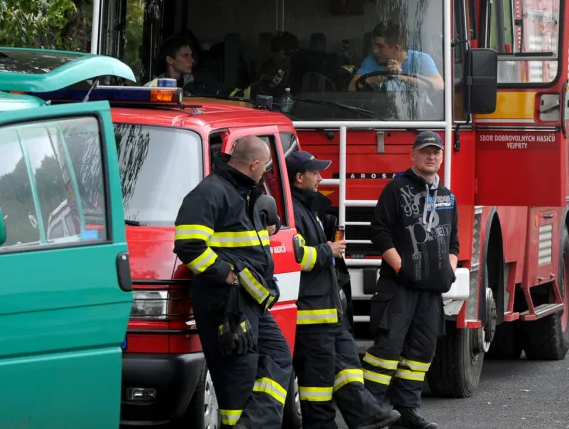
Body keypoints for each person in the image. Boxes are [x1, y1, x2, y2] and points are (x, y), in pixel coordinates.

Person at [172, 136, 292, 429]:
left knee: (278, 356)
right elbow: (188, 245)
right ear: (253, 164)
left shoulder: (243, 192)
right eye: (264, 167)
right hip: (225, 304)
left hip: (252, 301)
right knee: (237, 380)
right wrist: (225, 274)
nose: (265, 173)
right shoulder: (210, 193)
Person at [285, 150, 401, 429]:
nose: (321, 178)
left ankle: (364, 414)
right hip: (311, 314)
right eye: (315, 173)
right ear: (299, 178)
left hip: (329, 310)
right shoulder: (292, 211)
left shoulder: (308, 209)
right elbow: (294, 257)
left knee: (348, 364)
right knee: (317, 381)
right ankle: (323, 425)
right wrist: (328, 250)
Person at [363, 131, 459, 429]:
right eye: (426, 151)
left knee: (421, 351)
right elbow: (379, 231)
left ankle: (407, 411)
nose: (432, 156)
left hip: (431, 290)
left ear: (442, 157)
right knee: (388, 348)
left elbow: (453, 240)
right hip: (399, 286)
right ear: (413, 155)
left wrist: (449, 270)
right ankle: (370, 410)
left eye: (436, 152)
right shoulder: (396, 189)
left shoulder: (447, 195)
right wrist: (401, 267)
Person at [349, 22, 444, 91]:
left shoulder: (421, 59)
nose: (375, 50)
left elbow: (440, 85)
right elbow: (351, 87)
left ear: (396, 48)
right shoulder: (372, 60)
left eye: (380, 46)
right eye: (375, 45)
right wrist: (381, 76)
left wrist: (402, 76)